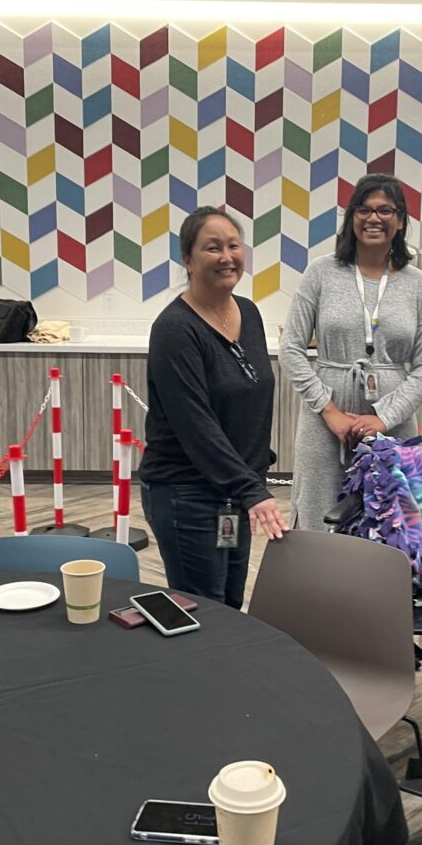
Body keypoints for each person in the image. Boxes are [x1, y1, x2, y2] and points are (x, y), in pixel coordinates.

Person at [139, 207, 288, 611]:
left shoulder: (249, 313)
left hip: (232, 493)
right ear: (187, 259)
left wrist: (249, 480)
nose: (226, 256)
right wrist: (251, 490)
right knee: (203, 611)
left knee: (229, 605)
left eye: (233, 245)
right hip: (186, 493)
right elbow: (196, 426)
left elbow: (250, 404)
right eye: (212, 248)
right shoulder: (175, 330)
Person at [280, 174, 422, 530]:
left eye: (385, 210)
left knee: (390, 522)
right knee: (319, 520)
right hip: (324, 421)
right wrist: (330, 411)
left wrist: (385, 417)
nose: (374, 218)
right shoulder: (321, 272)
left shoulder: (418, 284)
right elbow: (290, 349)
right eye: (364, 209)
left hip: (392, 422)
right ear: (352, 217)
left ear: (400, 221)